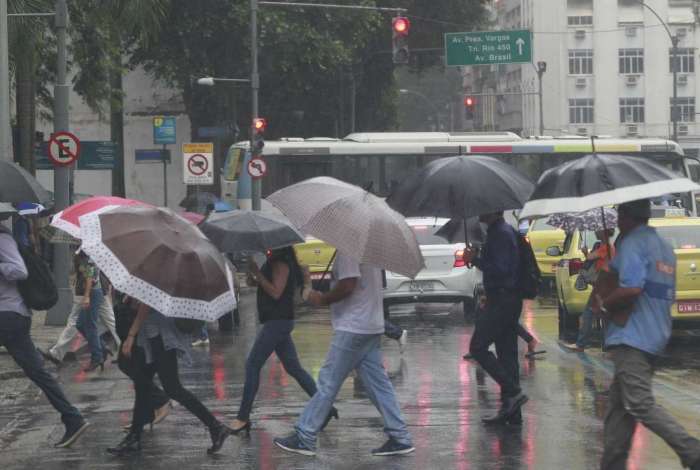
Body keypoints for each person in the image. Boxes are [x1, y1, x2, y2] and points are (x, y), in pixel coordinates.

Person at [273, 251, 414, 457]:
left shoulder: (349, 249)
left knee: (328, 381)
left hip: (353, 326)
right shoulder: (366, 248)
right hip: (370, 324)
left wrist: (323, 299)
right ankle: (400, 437)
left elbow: (348, 284)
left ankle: (305, 436)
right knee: (379, 385)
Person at [595, 199, 700, 470]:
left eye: (619, 214)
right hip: (655, 333)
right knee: (619, 412)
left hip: (632, 335)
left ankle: (692, 451)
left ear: (628, 217)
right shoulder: (664, 248)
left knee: (639, 403)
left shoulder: (631, 244)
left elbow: (631, 288)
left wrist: (605, 303)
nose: (616, 220)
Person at [230, 247, 337, 435]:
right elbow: (270, 287)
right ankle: (326, 408)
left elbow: (276, 292)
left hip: (277, 322)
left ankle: (243, 417)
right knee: (294, 368)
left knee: (252, 365)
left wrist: (257, 274)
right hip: (279, 321)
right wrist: (253, 279)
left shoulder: (281, 262)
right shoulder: (275, 261)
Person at [0, 224, 89, 447]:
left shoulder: (3, 240)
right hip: (11, 316)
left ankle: (72, 417)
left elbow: (19, 270)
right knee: (38, 372)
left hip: (9, 315)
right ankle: (72, 417)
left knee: (37, 371)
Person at [107, 303, 232, 455]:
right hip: (151, 337)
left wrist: (131, 335)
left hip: (159, 338)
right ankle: (134, 437)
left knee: (172, 387)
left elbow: (145, 306)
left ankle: (216, 426)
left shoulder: (152, 279)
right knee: (142, 385)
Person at [463, 211, 528, 425]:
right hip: (504, 298)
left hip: (503, 300)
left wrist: (477, 260)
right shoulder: (499, 232)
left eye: (483, 206)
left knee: (478, 347)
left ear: (492, 209)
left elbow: (501, 270)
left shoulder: (500, 234)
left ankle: (512, 391)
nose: (478, 209)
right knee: (506, 354)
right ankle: (511, 412)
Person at [113, 293, 171, 432]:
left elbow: (145, 305)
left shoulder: (150, 277)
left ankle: (159, 401)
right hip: (133, 322)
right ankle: (143, 418)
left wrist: (132, 335)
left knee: (131, 366)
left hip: (143, 328)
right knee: (132, 368)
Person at [562, 228, 615, 352]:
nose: (596, 232)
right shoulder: (605, 247)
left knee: (590, 313)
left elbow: (591, 257)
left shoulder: (606, 247)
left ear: (604, 233)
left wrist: (586, 252)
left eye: (599, 230)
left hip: (602, 284)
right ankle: (607, 345)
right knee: (602, 315)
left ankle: (582, 344)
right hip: (603, 283)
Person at [74, 251, 109, 371]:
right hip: (92, 292)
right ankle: (101, 347)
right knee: (80, 324)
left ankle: (97, 357)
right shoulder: (83, 254)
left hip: (93, 292)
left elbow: (90, 276)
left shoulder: (89, 255)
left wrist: (87, 296)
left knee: (90, 325)